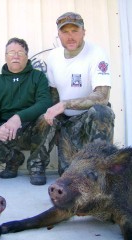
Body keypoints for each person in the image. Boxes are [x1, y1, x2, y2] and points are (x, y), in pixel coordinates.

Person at [44, 12, 115, 175]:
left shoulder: (97, 54)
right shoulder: (53, 57)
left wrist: (65, 104)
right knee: (69, 175)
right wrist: (54, 119)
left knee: (101, 112)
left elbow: (103, 96)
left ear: (84, 32)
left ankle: (102, 171)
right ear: (59, 35)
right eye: (65, 32)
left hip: (90, 120)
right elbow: (53, 94)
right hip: (68, 123)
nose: (70, 37)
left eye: (75, 31)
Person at [0, 37, 52, 185]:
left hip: (32, 130)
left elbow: (45, 103)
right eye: (11, 52)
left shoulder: (38, 77)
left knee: (47, 119)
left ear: (26, 56)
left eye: (20, 52)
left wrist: (18, 117)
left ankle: (37, 166)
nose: (15, 56)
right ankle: (13, 160)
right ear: (5, 56)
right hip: (7, 132)